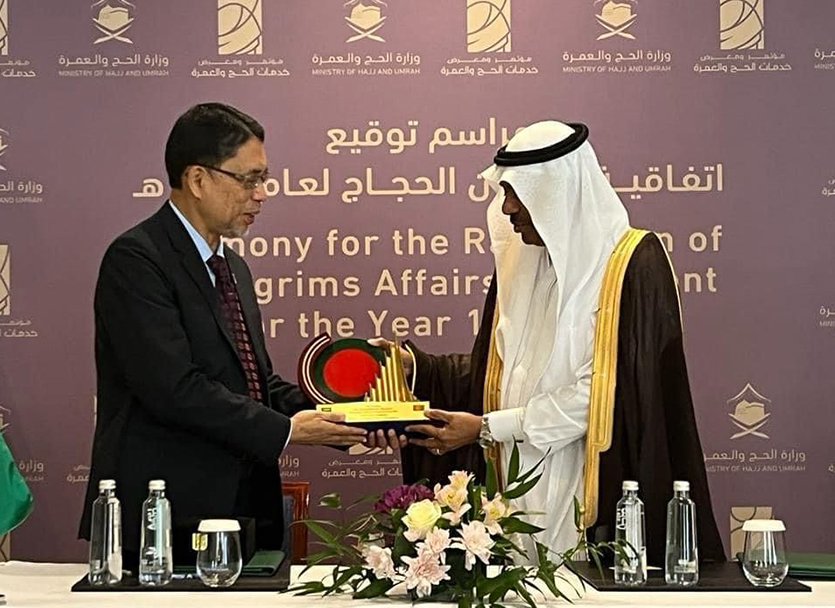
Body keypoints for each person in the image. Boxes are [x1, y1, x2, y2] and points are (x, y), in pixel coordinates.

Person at [376, 120, 725, 565]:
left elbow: (606, 393)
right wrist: (420, 369)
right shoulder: (521, 263)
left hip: (588, 483)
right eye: (504, 192)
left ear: (556, 194)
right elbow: (507, 371)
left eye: (517, 193)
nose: (507, 209)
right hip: (510, 483)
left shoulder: (632, 264)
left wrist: (488, 427)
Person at [78, 102, 373, 570]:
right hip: (167, 519)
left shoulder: (232, 266)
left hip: (242, 511)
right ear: (198, 179)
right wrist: (288, 431)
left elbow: (255, 383)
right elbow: (173, 388)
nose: (261, 194)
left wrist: (348, 417)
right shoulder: (137, 259)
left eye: (264, 179)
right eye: (249, 179)